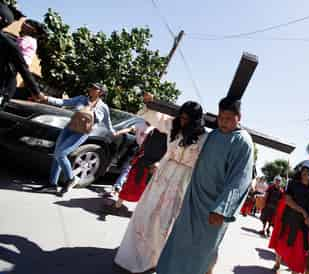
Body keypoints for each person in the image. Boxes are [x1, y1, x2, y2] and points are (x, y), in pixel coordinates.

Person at [156, 95, 254, 274]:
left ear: (239, 117)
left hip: (214, 208)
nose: (223, 122)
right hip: (193, 200)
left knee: (201, 251)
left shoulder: (243, 142)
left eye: (229, 119)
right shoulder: (213, 135)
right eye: (221, 118)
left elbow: (240, 180)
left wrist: (222, 209)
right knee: (179, 241)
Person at [114, 92, 207, 273]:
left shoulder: (204, 139)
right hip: (162, 177)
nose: (182, 121)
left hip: (182, 181)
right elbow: (155, 117)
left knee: (165, 221)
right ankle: (135, 254)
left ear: (195, 121)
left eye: (187, 119)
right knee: (146, 213)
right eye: (181, 117)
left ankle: (155, 258)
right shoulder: (174, 126)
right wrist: (151, 103)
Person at [35, 83, 118, 196]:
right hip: (69, 128)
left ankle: (71, 178)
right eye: (91, 87)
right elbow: (64, 102)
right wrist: (46, 98)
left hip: (82, 133)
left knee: (61, 154)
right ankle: (52, 185)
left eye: (95, 88)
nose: (91, 89)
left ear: (101, 92)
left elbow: (108, 124)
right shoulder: (81, 99)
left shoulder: (103, 107)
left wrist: (114, 132)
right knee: (57, 155)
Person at [269, 160, 309, 274]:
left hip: (302, 228)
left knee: (298, 257)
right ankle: (277, 264)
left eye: (308, 171)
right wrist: (303, 211)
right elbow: (288, 200)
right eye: (303, 170)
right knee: (281, 247)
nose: (304, 173)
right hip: (289, 221)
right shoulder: (293, 184)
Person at [0, 3, 43, 107]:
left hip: (7, 77)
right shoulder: (10, 41)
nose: (24, 24)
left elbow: (23, 68)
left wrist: (36, 92)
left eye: (28, 24)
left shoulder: (26, 41)